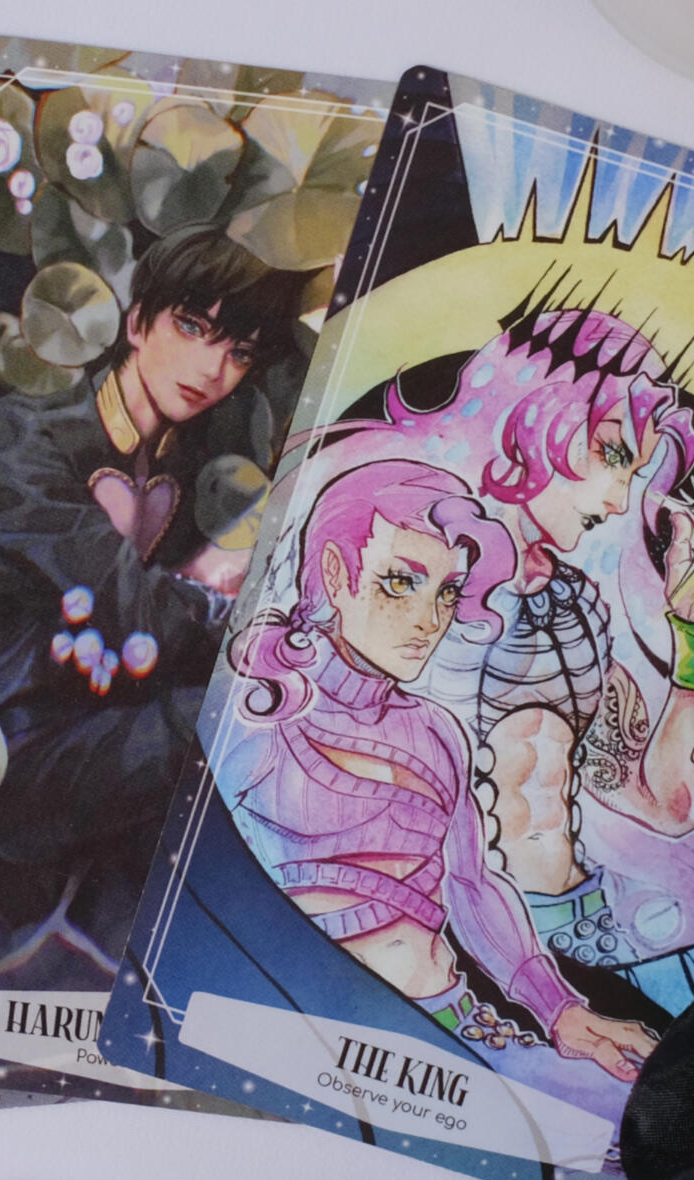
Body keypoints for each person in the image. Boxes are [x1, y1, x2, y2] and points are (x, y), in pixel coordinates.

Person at [313, 294, 694, 970]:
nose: (619, 497)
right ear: (536, 414)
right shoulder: (399, 566)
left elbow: (664, 805)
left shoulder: (571, 604)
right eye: (611, 452)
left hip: (570, 937)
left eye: (633, 470)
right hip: (405, 935)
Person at [226, 460, 655, 1082]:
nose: (429, 620)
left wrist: (561, 1011)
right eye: (401, 582)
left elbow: (472, 883)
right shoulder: (262, 712)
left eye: (448, 592)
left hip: (456, 1031)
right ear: (336, 574)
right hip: (294, 1026)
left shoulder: (434, 731)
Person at [0, 227, 309, 962]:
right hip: (13, 761)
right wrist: (245, 624)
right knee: (233, 715)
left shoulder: (199, 450)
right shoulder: (30, 439)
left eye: (239, 353)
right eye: (193, 327)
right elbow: (139, 614)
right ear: (138, 321)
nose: (212, 368)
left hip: (125, 733)